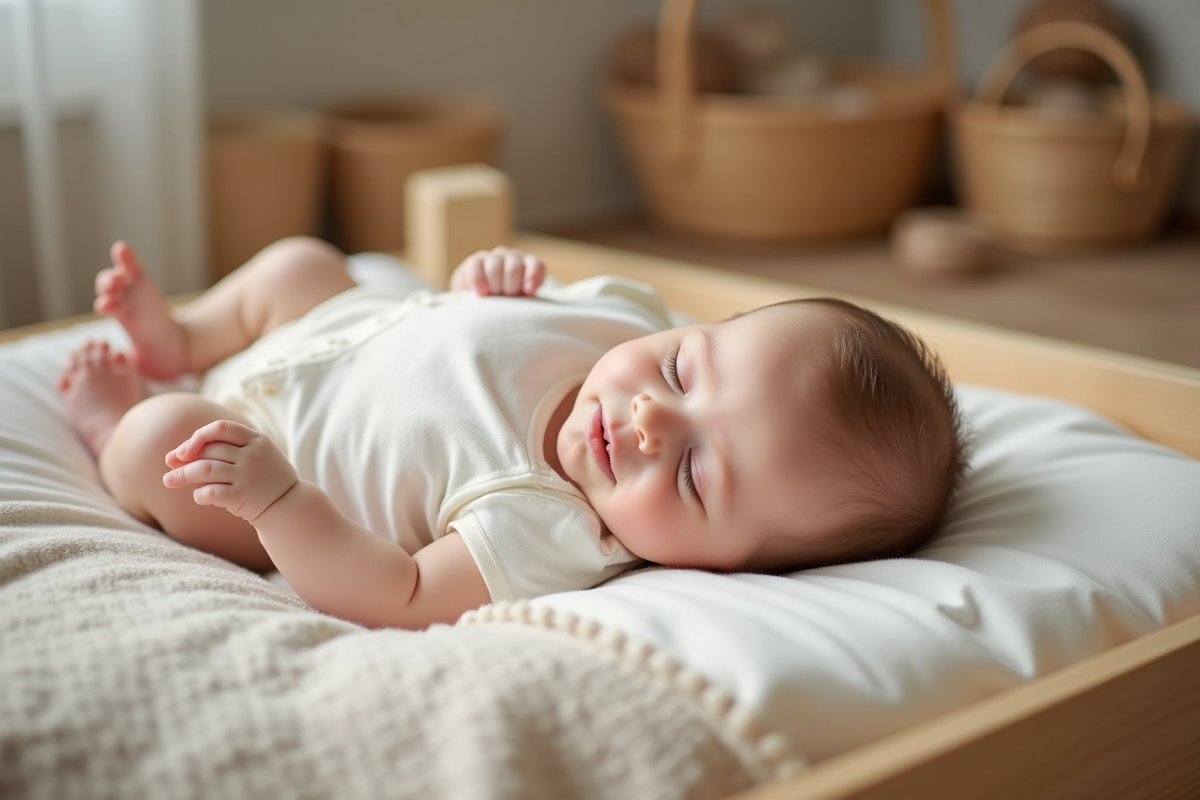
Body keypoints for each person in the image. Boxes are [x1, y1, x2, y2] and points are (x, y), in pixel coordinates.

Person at [59, 236, 968, 630]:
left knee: (161, 439)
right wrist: (488, 280)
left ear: (724, 568)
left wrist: (281, 501)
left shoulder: (545, 530)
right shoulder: (622, 312)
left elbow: (398, 593)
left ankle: (109, 428)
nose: (652, 419)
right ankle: (189, 335)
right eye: (686, 371)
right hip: (339, 326)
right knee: (306, 263)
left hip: (271, 439)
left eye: (694, 476)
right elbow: (485, 310)